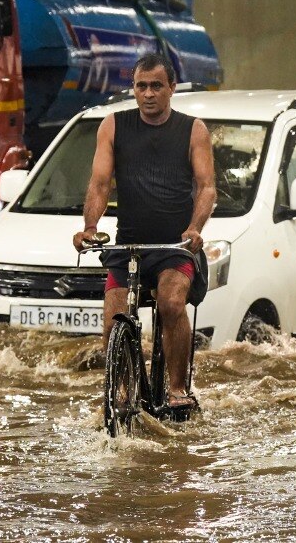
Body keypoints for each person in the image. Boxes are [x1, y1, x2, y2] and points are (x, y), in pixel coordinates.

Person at [72, 52, 215, 411]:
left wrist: (195, 228)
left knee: (170, 303)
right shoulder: (114, 125)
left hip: (176, 248)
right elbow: (101, 183)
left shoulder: (193, 129)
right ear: (133, 90)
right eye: (141, 86)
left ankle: (178, 389)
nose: (148, 93)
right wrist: (90, 226)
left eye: (156, 86)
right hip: (128, 246)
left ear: (171, 88)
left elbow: (207, 187)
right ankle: (120, 393)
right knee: (112, 320)